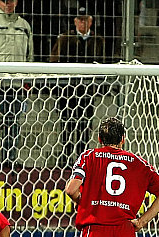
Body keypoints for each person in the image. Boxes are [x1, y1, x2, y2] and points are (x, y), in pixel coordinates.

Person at [49, 6, 107, 162]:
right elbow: (54, 60)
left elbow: (102, 62)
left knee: (85, 123)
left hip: (87, 89)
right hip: (67, 88)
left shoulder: (98, 40)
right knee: (66, 122)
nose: (83, 23)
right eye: (80, 20)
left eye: (85, 20)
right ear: (75, 21)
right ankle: (66, 154)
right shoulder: (64, 38)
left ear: (91, 22)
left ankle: (83, 154)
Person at [0, 0, 33, 164]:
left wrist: (28, 80)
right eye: (4, 1)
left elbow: (30, 56)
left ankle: (10, 159)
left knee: (14, 123)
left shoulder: (24, 26)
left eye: (11, 1)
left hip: (17, 84)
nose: (8, 4)